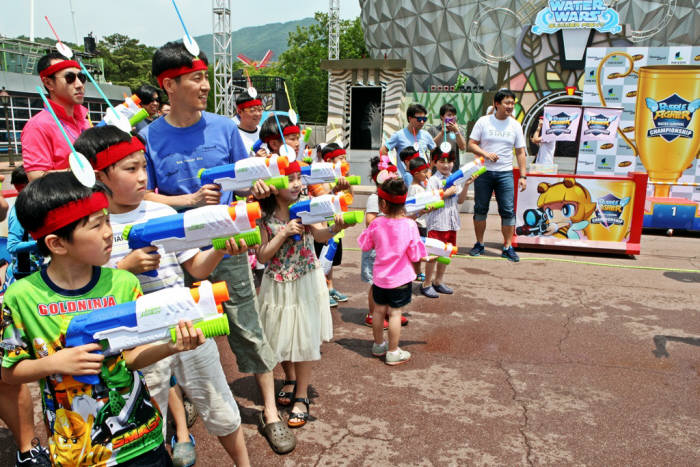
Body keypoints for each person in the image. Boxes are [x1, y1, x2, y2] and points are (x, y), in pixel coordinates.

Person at [139, 41, 295, 454]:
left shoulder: (225, 128)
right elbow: (141, 195)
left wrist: (256, 188)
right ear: (168, 85)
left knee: (246, 322)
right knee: (176, 328)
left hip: (225, 246)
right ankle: (182, 408)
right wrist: (185, 202)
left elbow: (243, 180)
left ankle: (269, 411)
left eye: (205, 77)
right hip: (175, 251)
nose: (205, 86)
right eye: (196, 79)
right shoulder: (149, 137)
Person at [74, 125, 250, 467]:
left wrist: (219, 248)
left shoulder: (163, 213)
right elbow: (87, 294)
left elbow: (196, 269)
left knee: (220, 406)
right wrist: (125, 268)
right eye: (130, 169)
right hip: (138, 340)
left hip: (189, 322)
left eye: (143, 166)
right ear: (100, 175)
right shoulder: (92, 227)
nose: (143, 177)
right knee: (143, 420)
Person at [1, 171, 205, 466]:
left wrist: (172, 345)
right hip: (77, 452)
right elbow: (9, 372)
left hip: (142, 439)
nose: (109, 232)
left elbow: (130, 358)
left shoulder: (123, 283)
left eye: (107, 219)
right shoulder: (22, 297)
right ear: (57, 243)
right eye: (96, 225)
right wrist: (54, 363)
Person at [256, 160, 352, 427]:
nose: (297, 184)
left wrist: (336, 228)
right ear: (273, 187)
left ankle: (301, 395)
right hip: (277, 281)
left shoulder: (309, 207)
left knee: (306, 337)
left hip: (307, 280)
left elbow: (321, 237)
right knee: (282, 335)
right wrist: (284, 233)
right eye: (290, 179)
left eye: (299, 177)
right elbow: (262, 255)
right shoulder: (262, 216)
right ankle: (289, 378)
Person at [0, 172, 49, 467]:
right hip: (22, 280)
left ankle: (28, 449)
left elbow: (0, 209)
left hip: (29, 282)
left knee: (6, 378)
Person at [358, 178, 428, 366]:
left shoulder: (377, 224)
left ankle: (379, 344)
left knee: (379, 311)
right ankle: (393, 351)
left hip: (380, 277)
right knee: (395, 313)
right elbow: (415, 253)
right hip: (401, 278)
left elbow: (365, 245)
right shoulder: (410, 225)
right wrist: (426, 256)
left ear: (383, 204)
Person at [468, 89, 527, 262]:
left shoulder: (515, 125)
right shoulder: (484, 122)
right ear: (496, 103)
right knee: (480, 209)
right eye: (506, 103)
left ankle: (507, 247)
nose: (510, 106)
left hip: (505, 173)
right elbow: (472, 144)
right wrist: (485, 154)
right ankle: (479, 244)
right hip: (483, 172)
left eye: (512, 103)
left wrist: (523, 176)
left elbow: (521, 152)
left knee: (508, 211)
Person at [21, 51, 90, 181]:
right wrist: (81, 172)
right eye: (70, 78)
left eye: (81, 77)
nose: (79, 84)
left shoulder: (85, 121)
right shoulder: (38, 126)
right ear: (48, 83)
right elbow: (36, 177)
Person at [361, 157, 409, 330]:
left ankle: (389, 312)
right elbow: (370, 221)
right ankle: (373, 314)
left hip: (390, 249)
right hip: (377, 249)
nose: (396, 176)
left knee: (390, 282)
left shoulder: (395, 200)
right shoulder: (375, 198)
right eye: (393, 174)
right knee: (377, 284)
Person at [421, 147, 472, 298]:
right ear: (434, 163)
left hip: (451, 224)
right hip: (437, 223)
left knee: (446, 254)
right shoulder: (433, 180)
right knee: (434, 255)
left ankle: (438, 281)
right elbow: (429, 202)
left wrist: (467, 185)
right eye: (441, 161)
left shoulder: (456, 179)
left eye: (449, 161)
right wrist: (445, 193)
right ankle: (426, 283)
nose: (446, 165)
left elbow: (461, 200)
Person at [310, 143, 353, 307]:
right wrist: (335, 187)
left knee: (331, 261)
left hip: (337, 226)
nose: (344, 161)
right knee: (321, 260)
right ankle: (321, 290)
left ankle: (330, 287)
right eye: (341, 158)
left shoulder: (341, 176)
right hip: (323, 227)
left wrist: (348, 183)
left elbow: (349, 198)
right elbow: (321, 199)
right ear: (329, 160)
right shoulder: (320, 176)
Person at [4, 166, 44, 290]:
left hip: (35, 271)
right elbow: (12, 246)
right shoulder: (18, 211)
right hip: (24, 276)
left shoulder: (30, 206)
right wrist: (40, 244)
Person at [380, 103, 436, 185]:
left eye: (424, 119)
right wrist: (390, 168)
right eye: (419, 119)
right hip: (403, 181)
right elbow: (383, 150)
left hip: (423, 180)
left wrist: (430, 170)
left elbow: (434, 152)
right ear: (409, 118)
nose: (422, 122)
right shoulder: (398, 135)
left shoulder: (426, 135)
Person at [405, 150, 432, 283]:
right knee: (418, 249)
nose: (427, 174)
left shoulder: (417, 186)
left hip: (419, 222)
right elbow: (417, 208)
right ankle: (417, 272)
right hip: (418, 223)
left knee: (417, 249)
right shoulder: (417, 189)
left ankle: (415, 271)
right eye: (425, 172)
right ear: (416, 174)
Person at [428, 103, 467, 168]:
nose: (452, 117)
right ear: (441, 116)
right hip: (436, 170)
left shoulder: (459, 130)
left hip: (453, 169)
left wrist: (456, 131)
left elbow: (463, 147)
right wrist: (442, 133)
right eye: (449, 115)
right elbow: (430, 147)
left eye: (454, 115)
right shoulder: (433, 130)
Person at [233, 92, 264, 156]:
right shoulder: (233, 135)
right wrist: (254, 161)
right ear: (239, 111)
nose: (257, 114)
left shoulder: (264, 132)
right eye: (252, 110)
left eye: (260, 110)